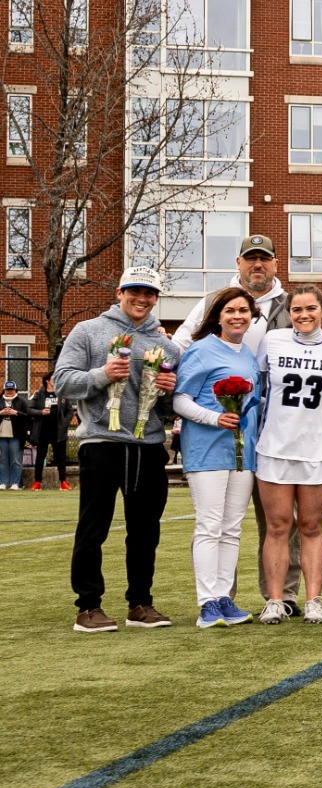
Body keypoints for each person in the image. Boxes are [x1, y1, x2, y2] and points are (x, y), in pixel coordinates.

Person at [174, 234, 298, 611]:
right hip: (213, 443)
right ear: (239, 263)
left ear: (276, 263)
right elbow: (178, 351)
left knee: (265, 521)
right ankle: (215, 598)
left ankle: (281, 595)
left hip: (265, 432)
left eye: (264, 258)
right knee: (212, 524)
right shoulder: (213, 306)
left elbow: (310, 337)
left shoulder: (289, 305)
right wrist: (154, 365)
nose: (257, 265)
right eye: (250, 259)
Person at [53, 267, 180, 632]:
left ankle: (140, 603)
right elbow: (63, 380)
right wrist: (102, 374)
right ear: (120, 291)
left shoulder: (167, 346)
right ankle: (88, 607)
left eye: (150, 293)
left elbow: (171, 408)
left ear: (157, 298)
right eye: (135, 290)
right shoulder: (89, 331)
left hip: (148, 445)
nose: (142, 299)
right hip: (102, 443)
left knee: (145, 530)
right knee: (94, 527)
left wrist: (170, 389)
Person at [254, 287, 322, 624]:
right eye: (297, 309)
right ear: (289, 312)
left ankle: (313, 600)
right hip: (275, 449)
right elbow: (257, 385)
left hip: (318, 450)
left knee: (311, 526)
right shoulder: (274, 340)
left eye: (311, 308)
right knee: (277, 527)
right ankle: (276, 600)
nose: (304, 314)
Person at [172, 287, 264, 629]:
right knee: (209, 526)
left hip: (243, 455)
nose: (237, 316)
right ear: (218, 316)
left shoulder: (248, 355)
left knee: (232, 528)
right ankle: (207, 602)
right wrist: (215, 418)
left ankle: (225, 597)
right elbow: (180, 401)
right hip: (207, 452)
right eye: (230, 311)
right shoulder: (201, 351)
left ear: (251, 316)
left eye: (243, 310)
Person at [27, 374, 73, 490]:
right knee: (40, 457)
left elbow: (70, 411)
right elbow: (29, 409)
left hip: (58, 432)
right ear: (47, 381)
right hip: (43, 431)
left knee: (60, 458)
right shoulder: (39, 394)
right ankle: (37, 483)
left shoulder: (62, 393)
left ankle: (63, 483)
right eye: (54, 378)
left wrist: (64, 424)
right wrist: (41, 412)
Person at [0, 381, 22, 489]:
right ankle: (3, 482)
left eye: (11, 390)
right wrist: (0, 413)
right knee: (3, 459)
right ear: (4, 390)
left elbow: (27, 415)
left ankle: (15, 483)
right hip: (1, 435)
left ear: (15, 390)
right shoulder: (0, 401)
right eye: (7, 390)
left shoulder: (21, 401)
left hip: (16, 435)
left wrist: (16, 413)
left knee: (15, 460)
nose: (9, 392)